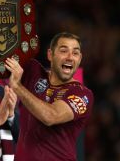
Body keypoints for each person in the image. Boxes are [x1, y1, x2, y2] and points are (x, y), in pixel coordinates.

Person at [5, 32, 94, 161]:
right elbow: (2, 54)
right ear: (50, 55)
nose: (70, 57)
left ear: (79, 59)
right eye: (64, 51)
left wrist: (17, 87)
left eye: (75, 53)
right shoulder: (34, 72)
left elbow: (51, 116)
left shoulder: (82, 94)